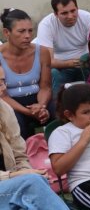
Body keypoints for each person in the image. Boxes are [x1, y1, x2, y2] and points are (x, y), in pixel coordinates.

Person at [1, 9, 53, 138]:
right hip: (9, 102)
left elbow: (45, 87)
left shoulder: (42, 52)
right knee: (15, 123)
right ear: (7, 32)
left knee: (62, 112)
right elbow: (3, 95)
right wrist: (28, 112)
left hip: (37, 99)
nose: (27, 36)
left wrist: (41, 106)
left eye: (30, 30)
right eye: (21, 31)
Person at [35, 0, 90, 99]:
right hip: (60, 67)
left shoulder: (87, 17)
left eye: (73, 11)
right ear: (55, 14)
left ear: (77, 8)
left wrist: (85, 61)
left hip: (85, 63)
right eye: (64, 13)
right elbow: (47, 61)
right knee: (53, 73)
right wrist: (70, 64)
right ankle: (58, 106)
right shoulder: (46, 25)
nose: (70, 16)